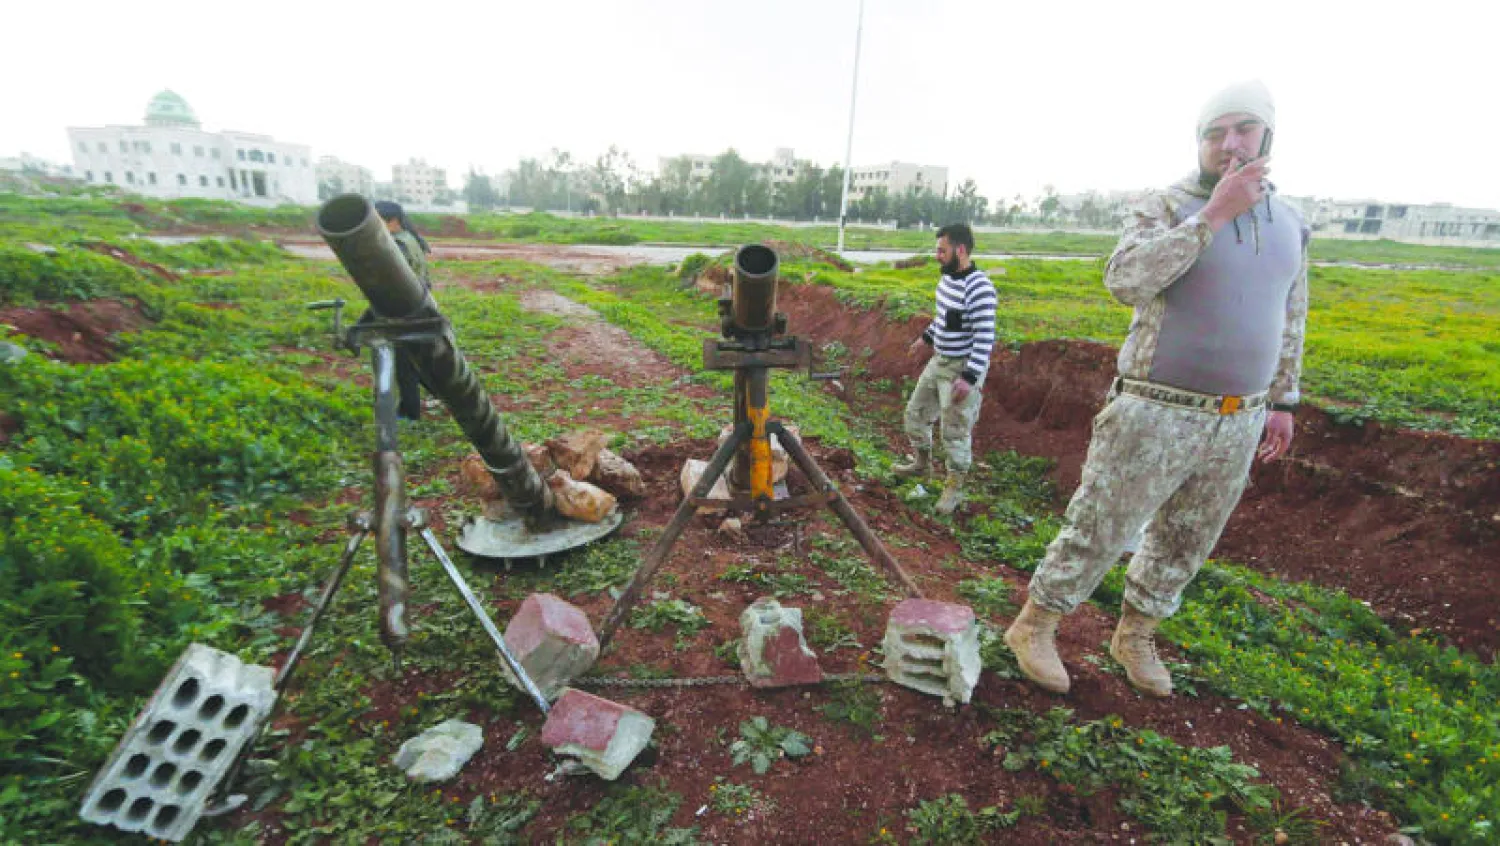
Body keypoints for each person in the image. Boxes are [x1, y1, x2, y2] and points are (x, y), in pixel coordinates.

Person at [1004, 80, 1309, 698]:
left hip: (1238, 417)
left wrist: (1281, 401)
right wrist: (1213, 216)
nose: (1228, 143)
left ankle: (1136, 633)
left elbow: (1292, 313)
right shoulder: (1167, 206)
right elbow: (1125, 279)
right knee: (1102, 523)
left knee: (1187, 535)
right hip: (1156, 407)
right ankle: (1036, 624)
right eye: (1213, 132)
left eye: (1243, 129)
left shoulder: (1292, 224)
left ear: (1267, 135)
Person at [891, 223, 998, 515]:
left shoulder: (980, 288)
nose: (937, 255)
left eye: (942, 250)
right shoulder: (948, 280)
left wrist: (969, 377)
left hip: (961, 368)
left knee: (953, 431)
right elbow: (944, 319)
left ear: (960, 250)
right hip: (939, 360)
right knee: (916, 414)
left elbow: (985, 337)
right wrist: (924, 339)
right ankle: (921, 465)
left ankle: (954, 487)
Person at [373, 200, 432, 421]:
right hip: (419, 307)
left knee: (405, 367)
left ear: (393, 220)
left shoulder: (397, 245)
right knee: (415, 363)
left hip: (406, 312)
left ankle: (410, 413)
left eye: (377, 220)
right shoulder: (410, 238)